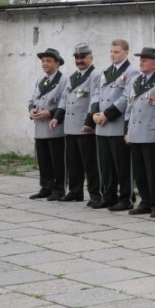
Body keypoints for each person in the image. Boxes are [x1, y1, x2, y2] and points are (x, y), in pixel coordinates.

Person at [124, 47, 155, 218]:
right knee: (139, 172)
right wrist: (126, 131)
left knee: (154, 171)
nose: (142, 62)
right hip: (136, 132)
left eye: (145, 60)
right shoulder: (135, 81)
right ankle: (145, 202)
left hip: (153, 132)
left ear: (154, 63)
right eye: (141, 59)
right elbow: (129, 108)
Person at [90, 39, 139, 211]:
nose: (112, 54)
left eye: (116, 52)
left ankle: (126, 198)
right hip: (101, 125)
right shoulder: (105, 71)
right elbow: (96, 93)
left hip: (116, 123)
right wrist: (95, 113)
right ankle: (108, 196)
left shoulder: (132, 72)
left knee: (122, 165)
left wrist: (107, 115)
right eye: (111, 51)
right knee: (106, 165)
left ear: (126, 52)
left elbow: (126, 97)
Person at [50, 43, 101, 206]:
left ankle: (95, 194)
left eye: (83, 57)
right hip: (70, 126)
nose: (79, 60)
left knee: (91, 163)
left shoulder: (95, 75)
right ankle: (75, 191)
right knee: (73, 162)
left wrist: (89, 123)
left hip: (85, 126)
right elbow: (64, 99)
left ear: (91, 58)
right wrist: (57, 117)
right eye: (77, 57)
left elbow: (96, 100)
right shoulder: (73, 77)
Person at [29, 48, 67, 201]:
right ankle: (46, 186)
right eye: (43, 61)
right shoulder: (40, 80)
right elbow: (32, 99)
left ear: (57, 63)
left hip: (54, 127)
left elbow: (64, 103)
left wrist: (50, 113)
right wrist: (31, 110)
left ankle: (59, 189)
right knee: (43, 160)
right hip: (40, 127)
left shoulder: (63, 80)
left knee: (57, 160)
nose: (45, 64)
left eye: (48, 61)